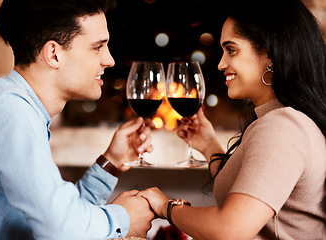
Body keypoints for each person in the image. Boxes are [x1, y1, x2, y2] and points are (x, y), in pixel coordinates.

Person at [139, 0, 326, 239]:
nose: (220, 64)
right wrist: (209, 147)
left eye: (231, 50)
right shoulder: (282, 121)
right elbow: (253, 186)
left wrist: (166, 206)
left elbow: (230, 229)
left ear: (269, 53)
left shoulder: (282, 127)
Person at [0, 0, 155, 239]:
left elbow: (59, 216)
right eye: (98, 47)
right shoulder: (11, 110)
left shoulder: (19, 108)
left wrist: (111, 162)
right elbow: (61, 229)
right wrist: (124, 217)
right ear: (54, 54)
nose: (109, 60)